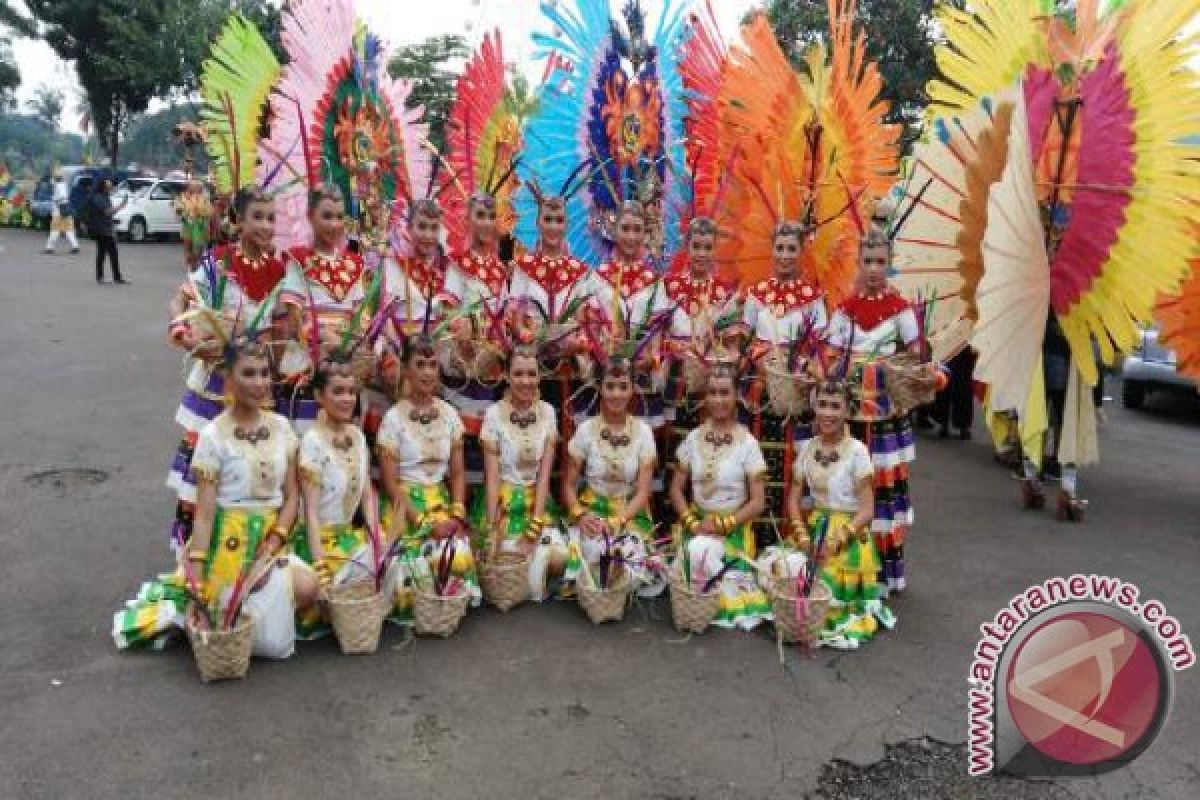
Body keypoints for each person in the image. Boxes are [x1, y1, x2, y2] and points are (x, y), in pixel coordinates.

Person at [113, 340, 318, 658]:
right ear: (229, 378)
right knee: (224, 619)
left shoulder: (281, 428)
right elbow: (205, 514)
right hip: (228, 542)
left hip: (270, 539)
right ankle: (225, 613)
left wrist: (276, 539)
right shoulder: (211, 436)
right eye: (248, 374)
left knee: (306, 590)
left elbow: (292, 497)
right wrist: (196, 567)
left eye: (265, 373)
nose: (259, 382)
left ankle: (255, 613)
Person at [165, 186, 287, 552]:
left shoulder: (279, 271)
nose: (266, 227)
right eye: (258, 218)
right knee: (207, 472)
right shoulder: (218, 262)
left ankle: (245, 552)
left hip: (255, 388)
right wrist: (183, 331)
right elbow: (181, 299)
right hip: (216, 387)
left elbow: (280, 330)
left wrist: (274, 364)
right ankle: (196, 556)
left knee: (249, 473)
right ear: (238, 221)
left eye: (271, 219)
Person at [827, 226, 938, 594]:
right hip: (853, 414)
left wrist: (920, 358)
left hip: (887, 415)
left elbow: (916, 355)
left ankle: (885, 573)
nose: (873, 269)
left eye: (880, 262)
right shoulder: (844, 310)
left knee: (882, 485)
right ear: (858, 264)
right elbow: (830, 357)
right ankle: (848, 564)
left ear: (889, 265)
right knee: (849, 484)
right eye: (867, 261)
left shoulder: (902, 310)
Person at [376, 335, 480, 621]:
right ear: (406, 370)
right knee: (409, 579)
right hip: (406, 510)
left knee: (456, 558)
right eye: (419, 364)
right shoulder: (393, 419)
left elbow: (457, 474)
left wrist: (457, 514)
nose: (427, 372)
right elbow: (390, 483)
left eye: (433, 365)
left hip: (442, 505)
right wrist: (422, 523)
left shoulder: (449, 415)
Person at [786, 379, 893, 650]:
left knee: (822, 596)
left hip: (848, 537)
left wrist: (835, 542)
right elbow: (793, 499)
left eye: (835, 406)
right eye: (822, 405)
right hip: (814, 529)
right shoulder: (808, 447)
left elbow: (867, 511)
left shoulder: (857, 452)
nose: (827, 413)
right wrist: (800, 535)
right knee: (787, 577)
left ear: (847, 411)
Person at [740, 221, 827, 547]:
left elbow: (822, 349)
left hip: (796, 393)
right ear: (772, 250)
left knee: (794, 467)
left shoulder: (814, 298)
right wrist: (757, 354)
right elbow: (742, 342)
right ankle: (757, 539)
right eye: (780, 248)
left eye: (792, 248)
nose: (786, 255)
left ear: (802, 251)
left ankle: (790, 544)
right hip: (762, 393)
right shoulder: (756, 295)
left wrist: (804, 366)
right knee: (759, 463)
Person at [669, 365, 772, 630]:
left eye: (725, 393)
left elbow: (758, 502)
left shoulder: (748, 443)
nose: (718, 400)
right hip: (697, 527)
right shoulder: (693, 438)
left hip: (732, 532)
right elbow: (675, 490)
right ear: (705, 396)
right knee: (695, 559)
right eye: (712, 393)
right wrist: (693, 524)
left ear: (737, 395)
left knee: (705, 573)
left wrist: (723, 525)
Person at [479, 346, 580, 600]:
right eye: (519, 374)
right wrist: (492, 527)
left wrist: (535, 526)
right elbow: (492, 478)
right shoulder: (493, 414)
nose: (526, 381)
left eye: (531, 374)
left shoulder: (548, 412)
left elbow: (544, 475)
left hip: (536, 502)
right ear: (507, 376)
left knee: (559, 558)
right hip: (503, 503)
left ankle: (534, 578)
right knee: (501, 558)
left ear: (539, 377)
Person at [563, 356, 665, 597]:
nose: (616, 394)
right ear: (600, 387)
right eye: (610, 386)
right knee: (592, 554)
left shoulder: (643, 432)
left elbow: (643, 492)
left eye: (623, 387)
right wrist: (580, 515)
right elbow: (567, 485)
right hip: (593, 511)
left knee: (625, 560)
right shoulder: (586, 429)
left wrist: (619, 521)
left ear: (632, 389)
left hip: (628, 514)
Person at [292, 357, 378, 638]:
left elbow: (367, 496)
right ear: (318, 396)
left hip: (347, 538)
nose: (347, 399)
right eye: (338, 392)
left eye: (352, 392)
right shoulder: (312, 442)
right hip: (317, 543)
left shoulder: (357, 435)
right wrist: (320, 567)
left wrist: (377, 538)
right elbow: (311, 514)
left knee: (396, 564)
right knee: (329, 587)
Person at [278, 185, 373, 434]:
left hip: (345, 361)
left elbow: (361, 315)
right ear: (310, 216)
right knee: (306, 439)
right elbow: (295, 316)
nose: (334, 224)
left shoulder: (354, 263)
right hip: (308, 359)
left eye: (340, 217)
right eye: (327, 216)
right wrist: (323, 339)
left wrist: (350, 345)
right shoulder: (298, 260)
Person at [442, 192, 511, 484]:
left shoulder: (503, 269)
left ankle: (487, 500)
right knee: (461, 436)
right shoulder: (456, 264)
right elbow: (449, 310)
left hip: (492, 363)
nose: (485, 223)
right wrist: (466, 339)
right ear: (467, 219)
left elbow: (507, 313)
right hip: (465, 360)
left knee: (490, 437)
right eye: (479, 216)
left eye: (490, 216)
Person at [664, 217, 740, 447]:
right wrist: (674, 347)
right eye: (696, 246)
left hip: (711, 382)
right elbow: (656, 337)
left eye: (707, 247)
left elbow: (733, 347)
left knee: (709, 445)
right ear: (686, 247)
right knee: (675, 444)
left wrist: (718, 356)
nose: (701, 253)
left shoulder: (725, 291)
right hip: (675, 376)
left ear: (715, 249)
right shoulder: (668, 285)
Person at [91, 178, 127, 284]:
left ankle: (116, 277)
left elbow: (110, 212)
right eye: (108, 186)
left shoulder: (105, 197)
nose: (110, 188)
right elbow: (108, 212)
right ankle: (101, 277)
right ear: (103, 187)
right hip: (101, 229)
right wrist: (121, 206)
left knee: (112, 253)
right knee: (102, 253)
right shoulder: (98, 198)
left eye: (110, 186)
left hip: (106, 228)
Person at [44, 174, 80, 255]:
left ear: (56, 179)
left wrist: (57, 201)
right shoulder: (64, 185)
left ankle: (49, 248)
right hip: (66, 212)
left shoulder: (58, 186)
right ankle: (75, 246)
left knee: (55, 230)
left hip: (58, 213)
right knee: (69, 230)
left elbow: (61, 197)